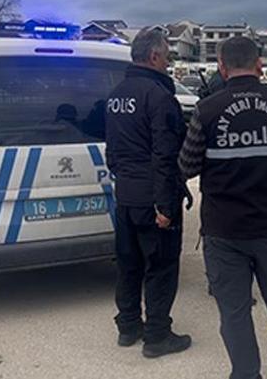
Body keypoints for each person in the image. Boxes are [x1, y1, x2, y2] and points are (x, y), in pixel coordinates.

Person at [179, 36, 267, 379]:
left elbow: (186, 165)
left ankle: (247, 373)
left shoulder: (207, 110)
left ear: (221, 67)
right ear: (259, 64)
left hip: (224, 230)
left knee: (234, 311)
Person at [104, 26, 192, 358]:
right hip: (154, 196)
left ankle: (128, 327)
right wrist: (166, 205)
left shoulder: (116, 94)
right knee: (161, 265)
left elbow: (112, 148)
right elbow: (166, 154)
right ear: (154, 56)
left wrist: (124, 179)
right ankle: (157, 335)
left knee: (129, 264)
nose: (169, 62)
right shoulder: (159, 96)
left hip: (126, 193)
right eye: (167, 56)